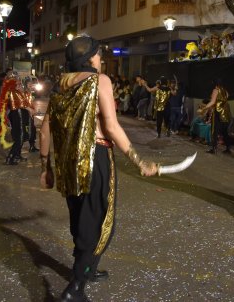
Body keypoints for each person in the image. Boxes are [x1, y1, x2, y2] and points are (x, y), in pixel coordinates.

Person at [38, 35, 158, 301]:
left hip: (69, 161)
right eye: (98, 54)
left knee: (81, 219)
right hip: (96, 156)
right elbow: (112, 126)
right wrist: (139, 160)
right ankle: (76, 287)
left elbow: (45, 128)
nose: (101, 59)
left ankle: (86, 269)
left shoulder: (61, 84)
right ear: (89, 57)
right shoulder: (100, 81)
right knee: (101, 223)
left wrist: (45, 166)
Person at [203, 78, 232, 154]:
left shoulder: (215, 90)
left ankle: (214, 148)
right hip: (225, 113)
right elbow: (226, 98)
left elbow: (212, 102)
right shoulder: (225, 91)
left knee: (214, 130)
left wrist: (204, 108)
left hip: (218, 113)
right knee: (225, 131)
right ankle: (228, 148)